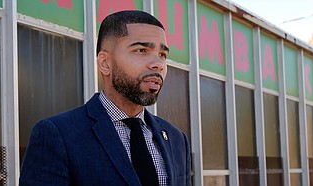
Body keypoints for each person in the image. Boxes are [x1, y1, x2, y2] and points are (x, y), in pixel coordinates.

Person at [19, 10, 191, 186]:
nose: (158, 64)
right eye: (141, 50)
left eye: (162, 55)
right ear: (105, 63)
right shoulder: (57, 135)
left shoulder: (177, 139)